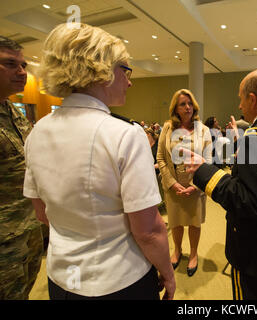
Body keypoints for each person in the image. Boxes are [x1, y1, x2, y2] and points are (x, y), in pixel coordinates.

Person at [22, 23, 174, 300]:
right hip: (119, 280)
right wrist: (167, 272)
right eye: (126, 70)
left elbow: (42, 213)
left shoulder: (37, 133)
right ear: (101, 70)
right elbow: (149, 230)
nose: (130, 81)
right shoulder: (126, 135)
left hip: (61, 277)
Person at [184, 69, 257, 300]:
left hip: (254, 249)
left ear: (252, 98)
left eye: (240, 98)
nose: (239, 106)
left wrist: (204, 172)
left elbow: (246, 201)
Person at [0, 36, 44, 300]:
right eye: (10, 64)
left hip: (28, 227)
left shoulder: (14, 112)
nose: (22, 72)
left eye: (24, 64)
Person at [156, 89, 212, 277]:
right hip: (173, 188)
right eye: (182, 104)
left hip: (195, 188)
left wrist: (195, 186)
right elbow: (161, 158)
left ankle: (194, 254)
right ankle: (177, 250)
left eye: (190, 103)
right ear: (176, 108)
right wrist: (172, 183)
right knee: (176, 222)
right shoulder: (167, 128)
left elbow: (208, 160)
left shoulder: (203, 130)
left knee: (194, 223)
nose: (187, 107)